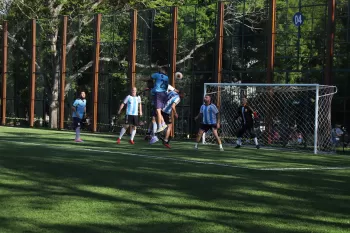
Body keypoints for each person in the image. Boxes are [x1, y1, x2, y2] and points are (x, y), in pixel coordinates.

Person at [141, 66, 169, 133]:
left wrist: (141, 78)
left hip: (158, 94)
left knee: (157, 111)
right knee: (158, 112)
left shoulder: (157, 75)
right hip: (164, 94)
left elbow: (149, 78)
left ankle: (160, 126)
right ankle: (163, 124)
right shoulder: (167, 77)